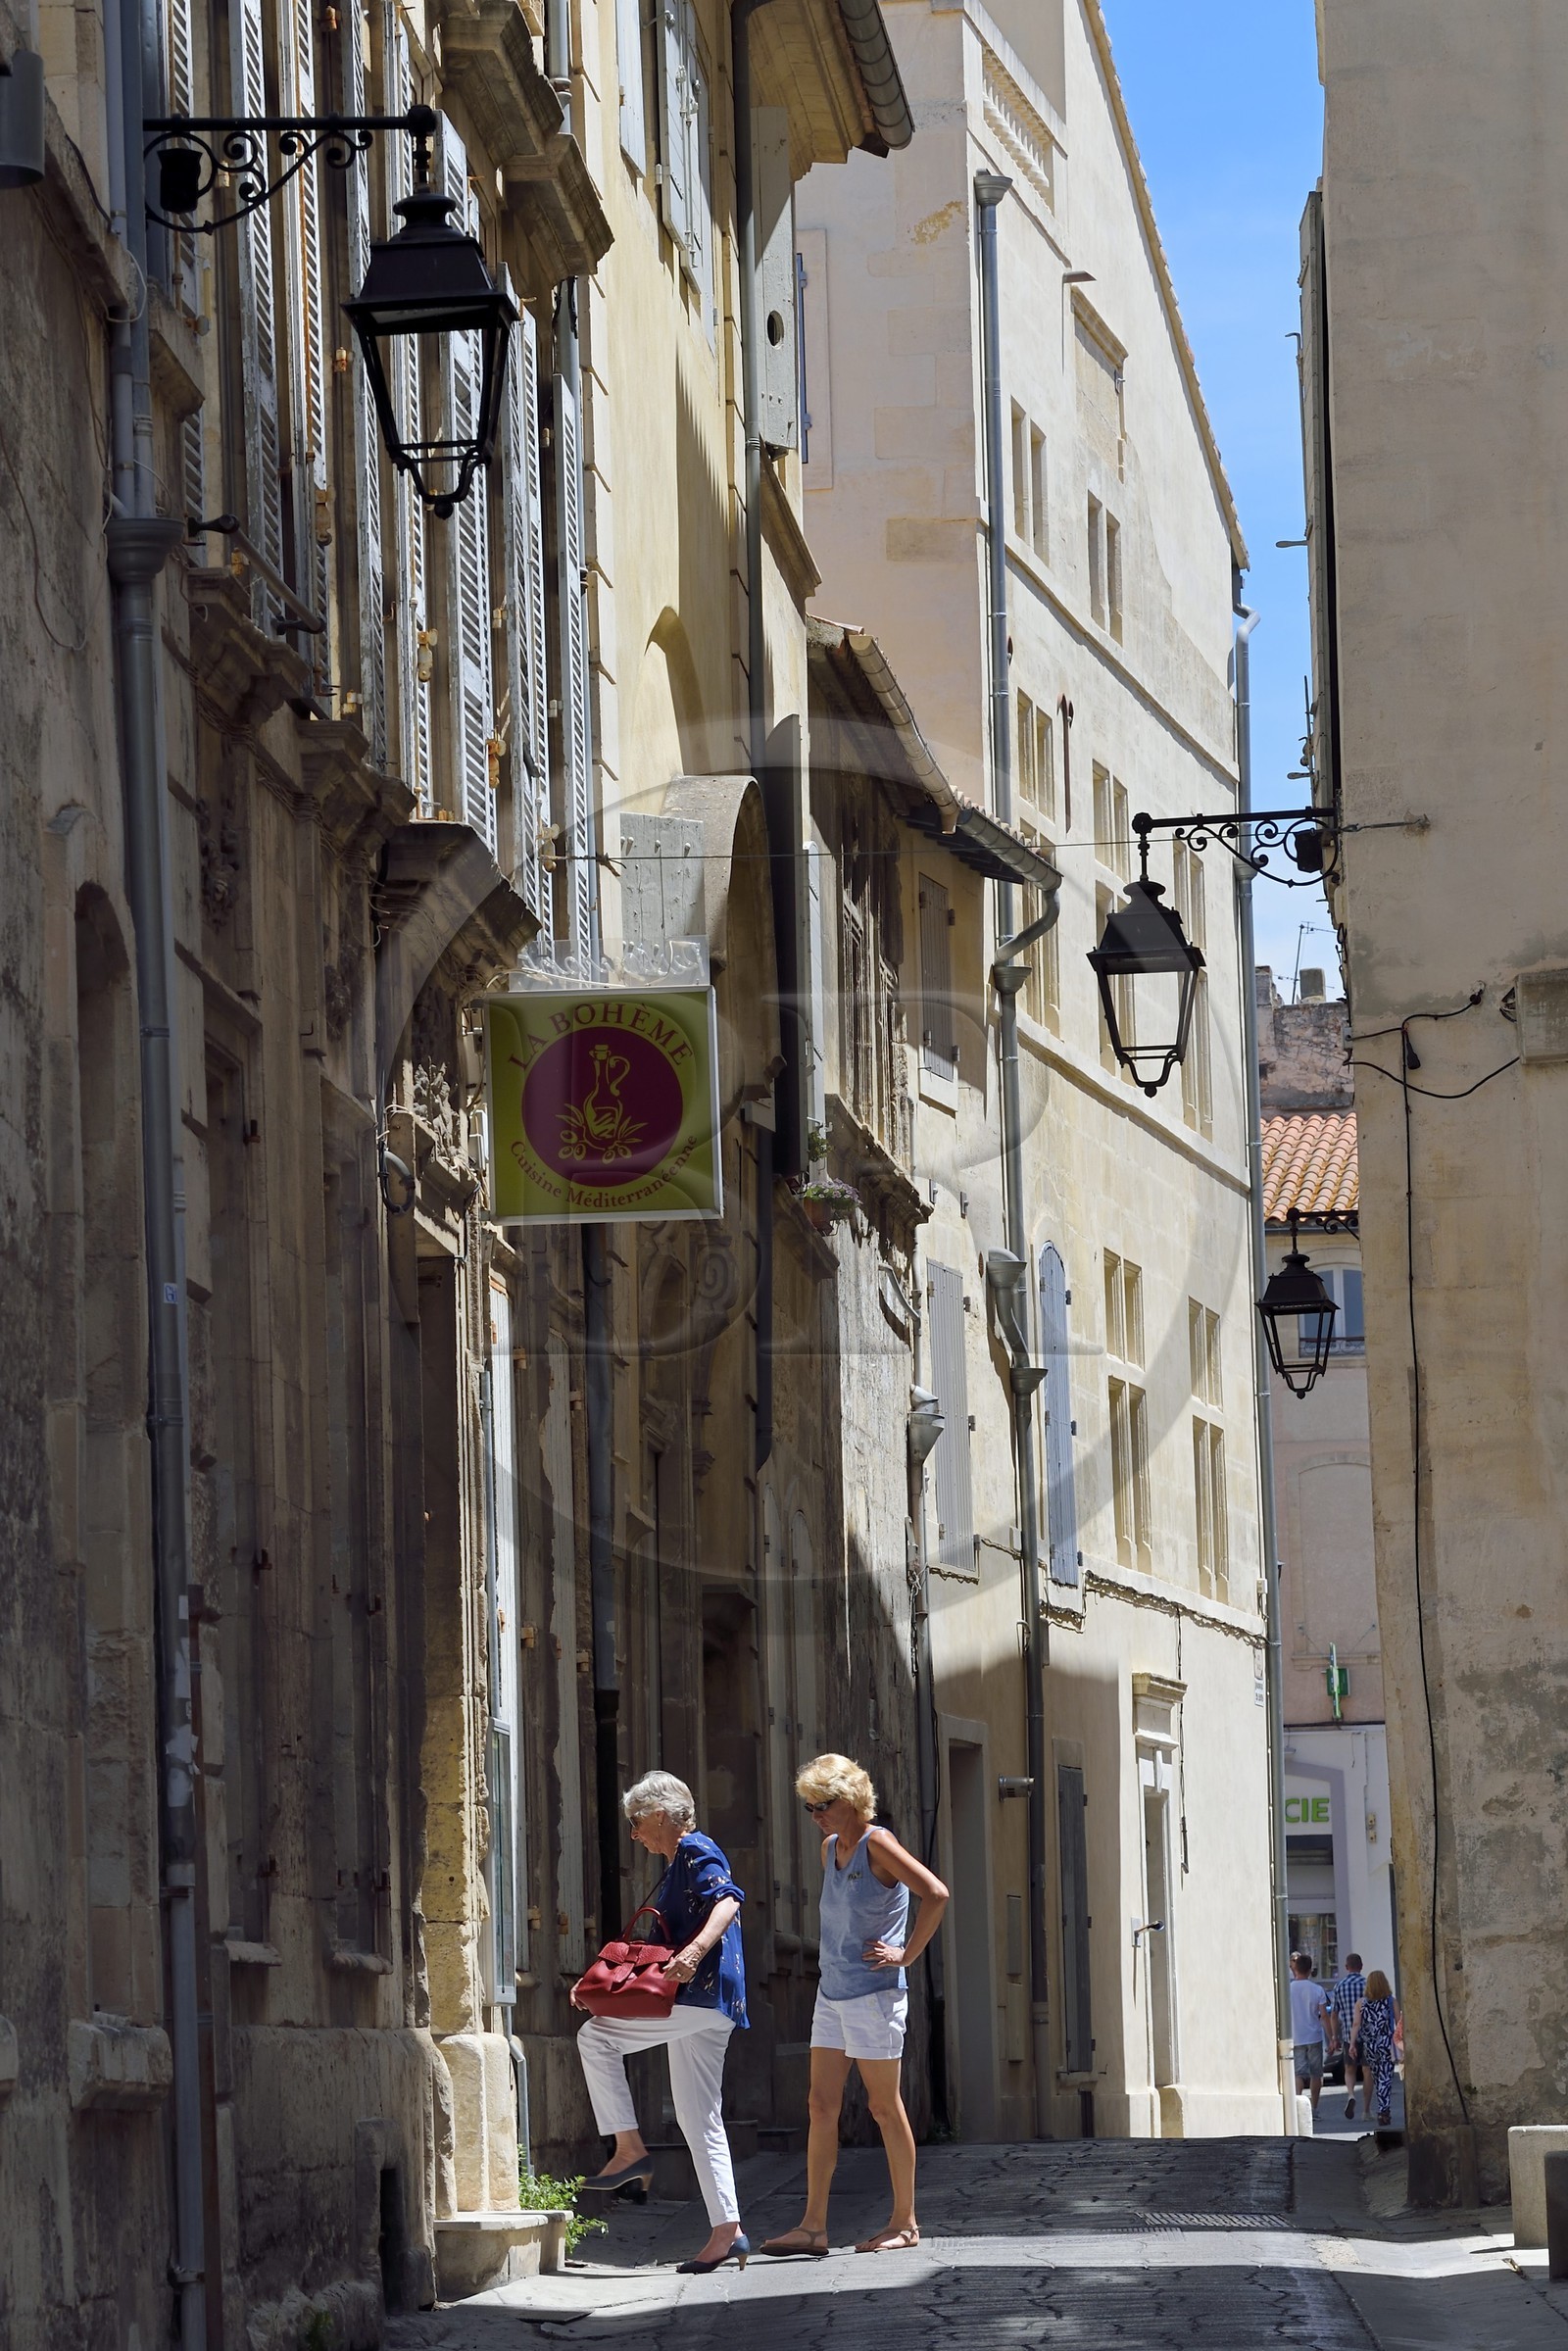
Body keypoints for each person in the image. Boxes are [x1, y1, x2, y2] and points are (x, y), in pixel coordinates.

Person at [761, 1754, 949, 2259]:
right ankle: (813, 2227)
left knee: (884, 2107)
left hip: (875, 1994)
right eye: (809, 1807)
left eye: (824, 1805)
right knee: (820, 2106)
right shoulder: (829, 1850)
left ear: (851, 1801)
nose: (817, 1815)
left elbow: (935, 1893)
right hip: (833, 1992)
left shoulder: (879, 1843)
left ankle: (905, 2222)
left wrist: (906, 1954)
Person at [572, 1771, 751, 2275]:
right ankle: (728, 2231)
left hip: (699, 1992)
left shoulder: (694, 1848)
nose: (633, 1834)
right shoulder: (677, 1863)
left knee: (596, 2039)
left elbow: (730, 1899)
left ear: (659, 1815)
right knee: (700, 2118)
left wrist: (693, 1952)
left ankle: (628, 2147)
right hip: (714, 2002)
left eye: (636, 1822)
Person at [1351, 1968, 1402, 2127]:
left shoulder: (1361, 2003)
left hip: (1370, 2045)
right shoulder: (1390, 2001)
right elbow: (1399, 2022)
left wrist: (1352, 2043)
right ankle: (1383, 2110)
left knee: (1376, 2076)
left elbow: (1356, 2024)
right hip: (1386, 2043)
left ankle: (1382, 2109)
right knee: (1385, 2077)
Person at [1289, 1949, 1335, 2115]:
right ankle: (1314, 2108)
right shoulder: (1317, 1990)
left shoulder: (1288, 1990)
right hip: (1314, 2036)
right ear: (1310, 1970)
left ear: (1295, 1969)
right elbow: (1324, 2016)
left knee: (1298, 2073)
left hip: (1295, 2036)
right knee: (1316, 2074)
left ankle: (1296, 2108)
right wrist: (1332, 2038)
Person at [1331, 1952, 1367, 2120]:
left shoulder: (1339, 1986)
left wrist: (1334, 2037)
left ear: (1346, 1967)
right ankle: (1366, 2110)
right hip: (1367, 2035)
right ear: (1361, 1966)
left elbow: (1334, 2014)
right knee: (1368, 2071)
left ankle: (1351, 2094)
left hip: (1347, 2035)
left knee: (1349, 2069)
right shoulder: (1368, 1984)